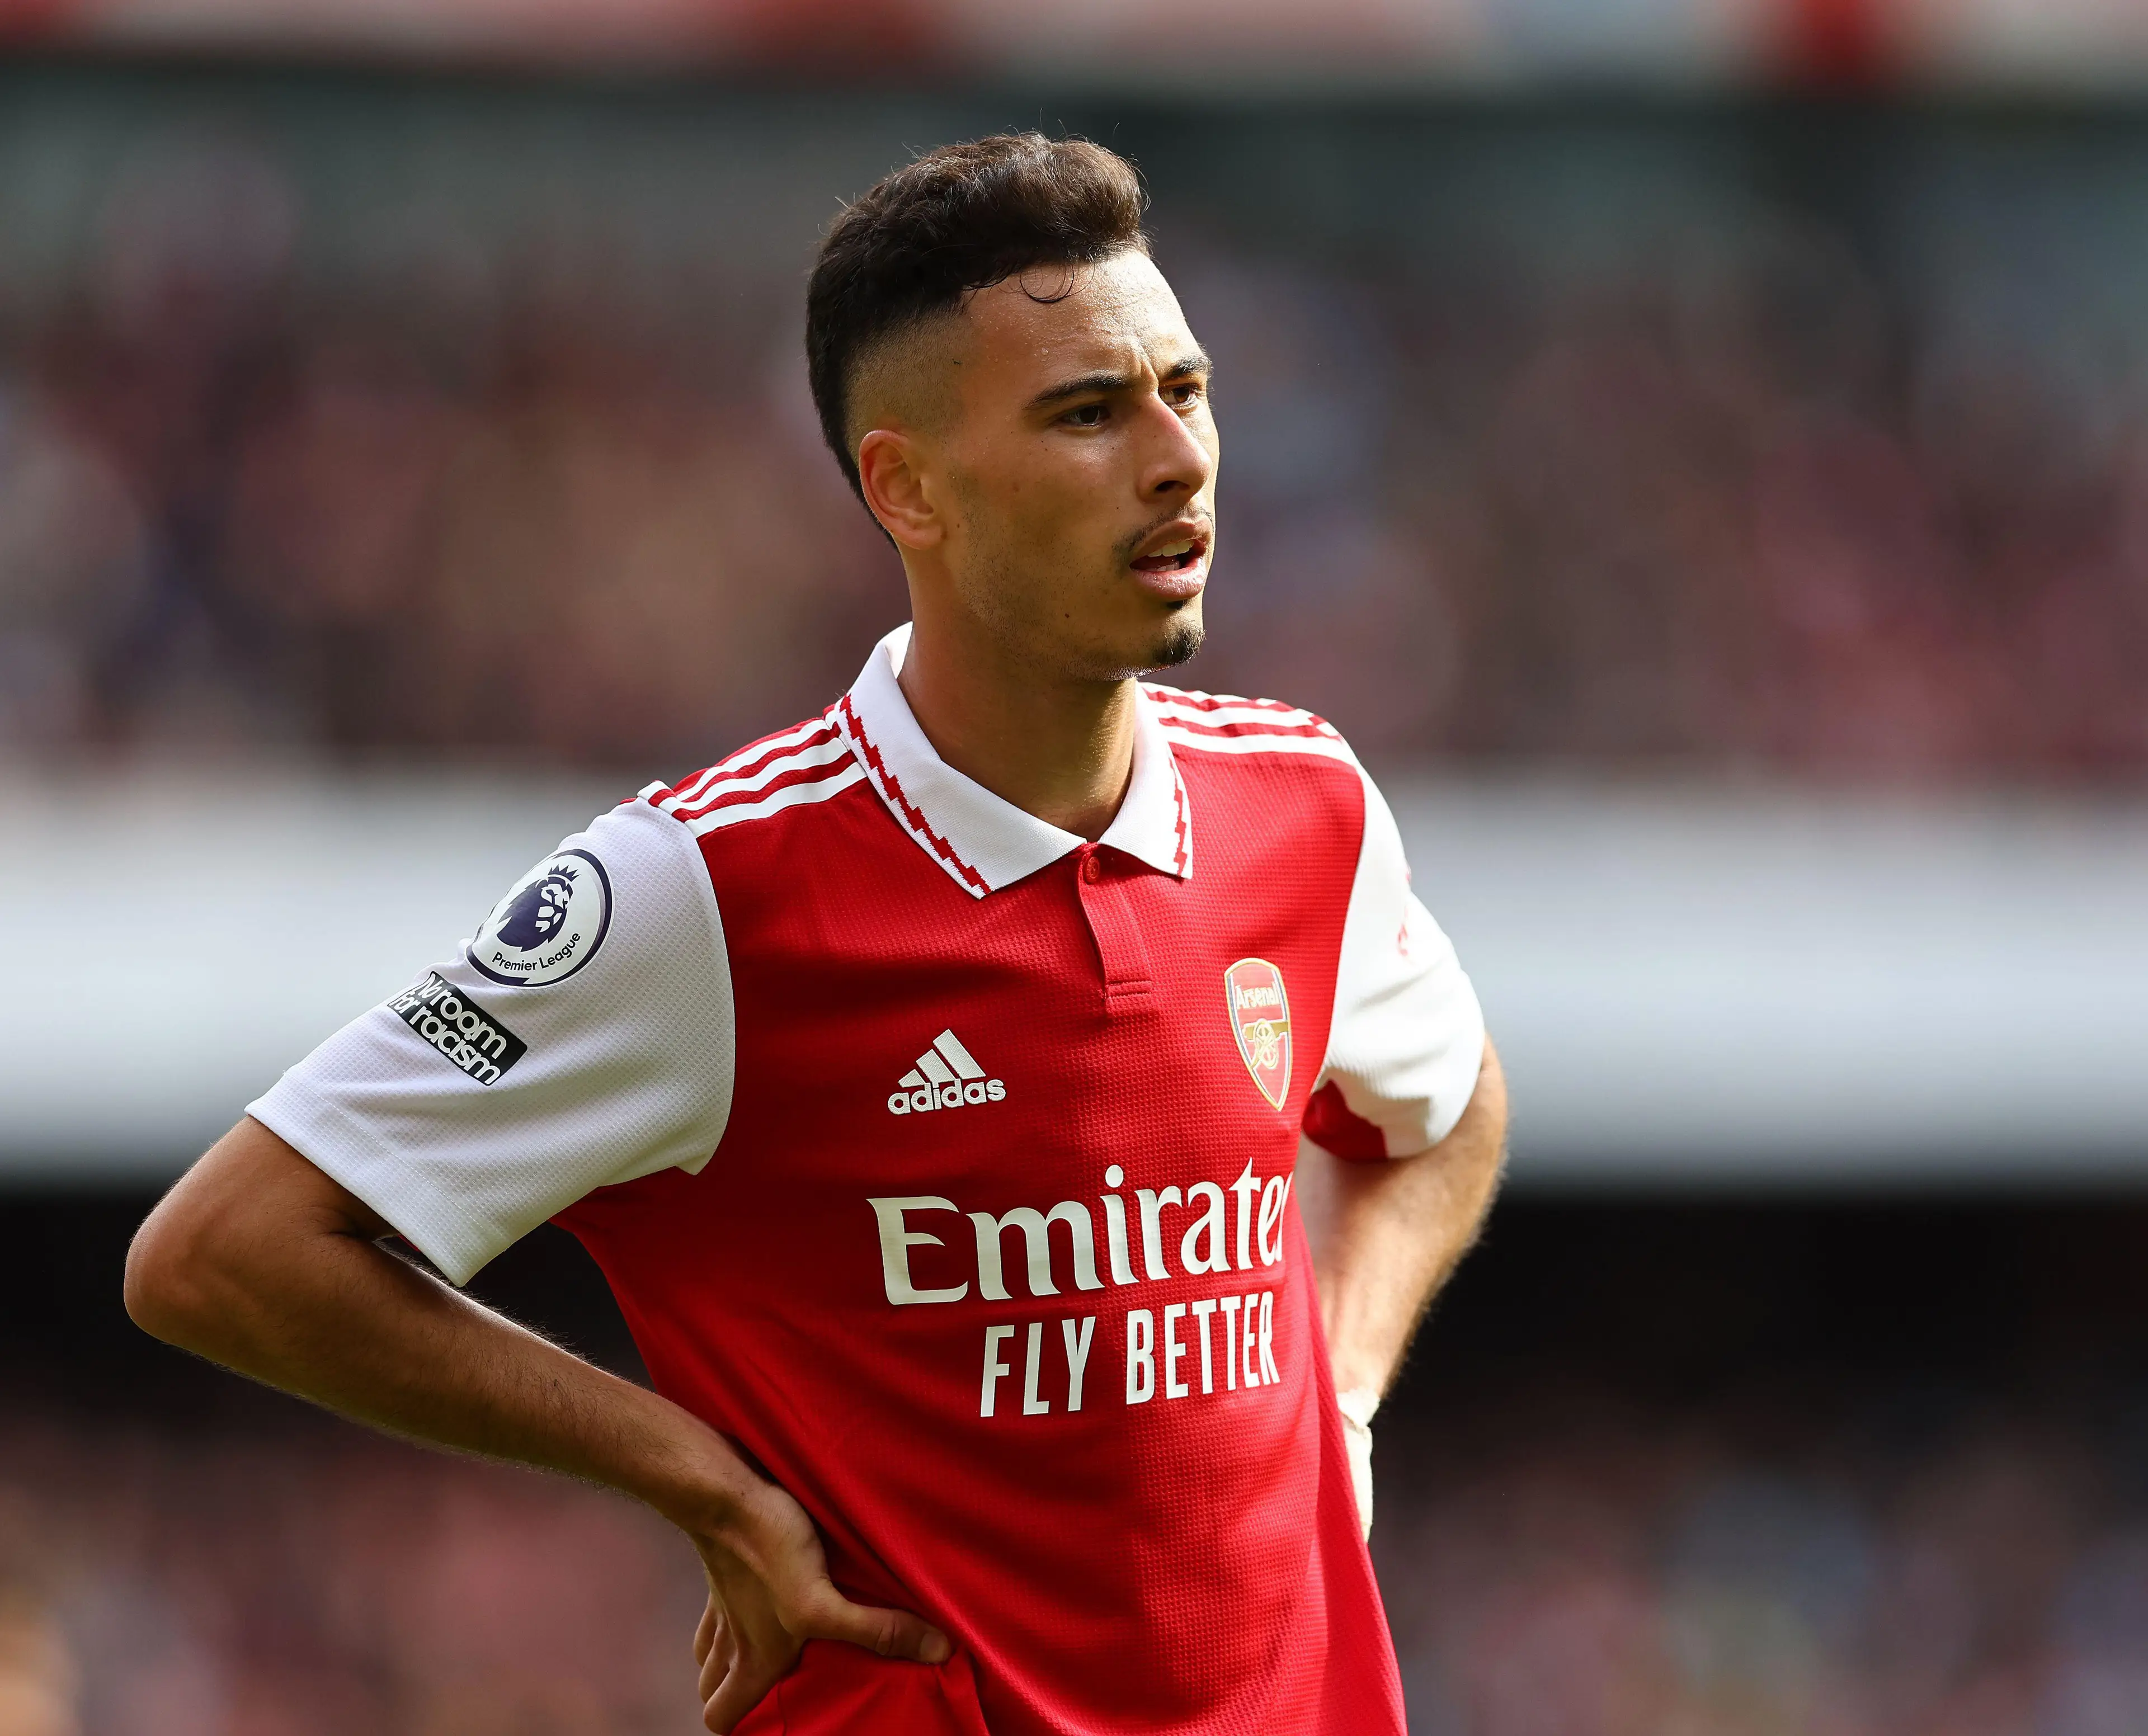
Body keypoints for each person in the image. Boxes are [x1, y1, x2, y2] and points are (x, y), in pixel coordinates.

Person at [124, 133, 1508, 1735]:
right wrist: (699, 1482)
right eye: (1086, 412)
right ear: (903, 486)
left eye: (1184, 390)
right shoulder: (706, 895)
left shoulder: (1307, 806)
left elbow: (1446, 1109)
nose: (1177, 455)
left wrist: (1342, 1383)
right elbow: (223, 1254)